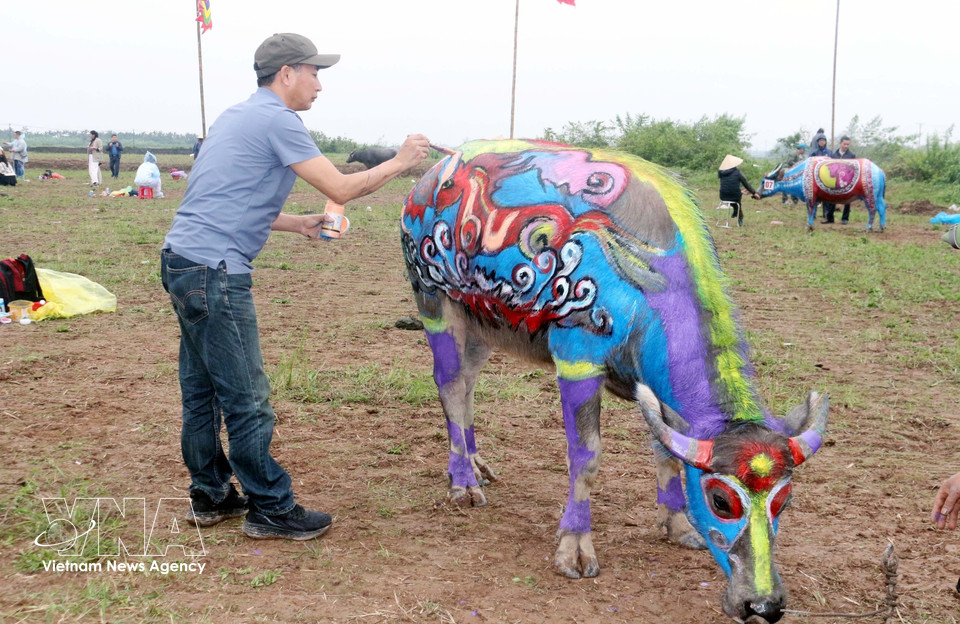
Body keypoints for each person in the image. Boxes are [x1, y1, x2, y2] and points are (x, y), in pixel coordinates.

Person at [160, 32, 430, 540]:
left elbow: (223, 198)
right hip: (216, 273)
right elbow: (342, 187)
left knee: (202, 393)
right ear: (287, 73)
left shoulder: (235, 116)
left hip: (182, 261)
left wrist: (297, 223)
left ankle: (211, 494)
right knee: (247, 397)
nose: (319, 85)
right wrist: (401, 162)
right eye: (314, 72)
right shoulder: (279, 120)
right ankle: (271, 507)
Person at [718, 154, 760, 227]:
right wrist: (754, 192)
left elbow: (727, 185)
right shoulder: (737, 172)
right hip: (734, 195)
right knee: (738, 202)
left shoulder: (721, 172)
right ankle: (740, 219)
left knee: (734, 195)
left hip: (723, 195)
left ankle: (735, 211)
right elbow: (745, 183)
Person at [829, 136, 857, 224]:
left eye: (848, 144)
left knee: (847, 199)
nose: (846, 146)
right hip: (835, 179)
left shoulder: (852, 155)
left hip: (847, 180)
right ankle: (830, 218)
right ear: (840, 143)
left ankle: (845, 218)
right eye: (845, 144)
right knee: (831, 197)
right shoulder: (834, 155)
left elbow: (854, 168)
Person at [808, 131, 832, 220]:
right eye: (820, 141)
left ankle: (826, 213)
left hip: (827, 177)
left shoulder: (829, 152)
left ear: (825, 142)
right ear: (817, 142)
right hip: (816, 177)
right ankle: (813, 213)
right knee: (815, 196)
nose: (822, 142)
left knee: (826, 195)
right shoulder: (814, 152)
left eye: (823, 140)